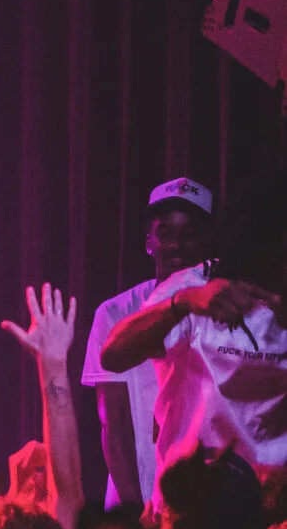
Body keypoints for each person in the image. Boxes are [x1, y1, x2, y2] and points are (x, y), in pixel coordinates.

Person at [97, 176, 287, 505]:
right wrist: (183, 303)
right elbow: (113, 355)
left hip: (270, 508)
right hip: (192, 503)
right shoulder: (196, 283)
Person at [81, 179, 214, 509]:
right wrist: (133, 509)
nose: (176, 244)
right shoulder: (116, 313)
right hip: (136, 493)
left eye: (189, 233)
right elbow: (112, 421)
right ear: (148, 242)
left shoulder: (225, 307)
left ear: (205, 240)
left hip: (204, 498)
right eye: (166, 232)